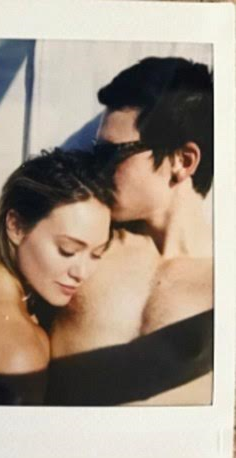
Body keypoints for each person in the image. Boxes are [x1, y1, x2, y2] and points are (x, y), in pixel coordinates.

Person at [48, 57, 214, 405]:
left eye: (112, 154)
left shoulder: (223, 288)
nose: (96, 169)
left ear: (183, 161)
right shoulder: (80, 241)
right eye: (94, 154)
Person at [0, 149, 114, 405]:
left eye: (97, 253)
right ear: (15, 226)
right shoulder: (20, 351)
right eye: (67, 250)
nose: (82, 273)